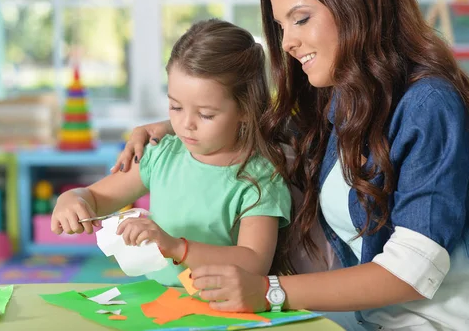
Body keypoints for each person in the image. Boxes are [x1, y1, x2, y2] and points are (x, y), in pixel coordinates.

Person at [113, 0, 469, 329]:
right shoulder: (343, 101)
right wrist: (172, 125)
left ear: (356, 4)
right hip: (378, 322)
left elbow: (412, 269)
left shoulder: (429, 103)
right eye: (281, 26)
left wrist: (268, 290)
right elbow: (261, 128)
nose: (288, 42)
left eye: (301, 18)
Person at [51, 19, 291, 287]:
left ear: (246, 109)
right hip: (158, 304)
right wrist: (71, 199)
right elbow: (95, 197)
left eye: (206, 114)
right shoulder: (160, 155)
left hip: (223, 310)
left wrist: (177, 247)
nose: (186, 124)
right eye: (176, 107)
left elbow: (255, 263)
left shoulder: (259, 179)